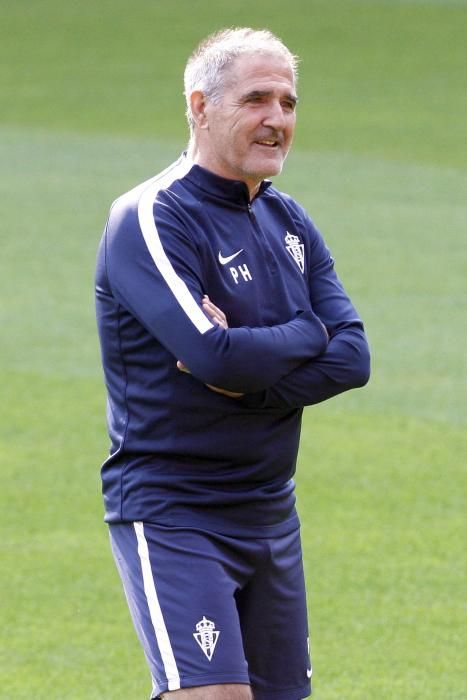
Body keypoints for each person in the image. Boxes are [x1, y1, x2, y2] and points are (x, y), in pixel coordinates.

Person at [95, 27, 370, 700]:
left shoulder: (289, 223)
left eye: (287, 102)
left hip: (270, 511)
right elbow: (210, 352)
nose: (276, 119)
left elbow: (352, 357)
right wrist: (306, 333)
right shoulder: (152, 217)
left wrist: (250, 372)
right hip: (174, 510)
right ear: (200, 106)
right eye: (255, 99)